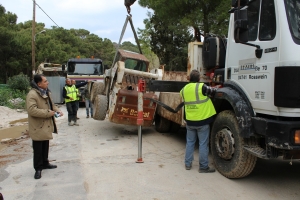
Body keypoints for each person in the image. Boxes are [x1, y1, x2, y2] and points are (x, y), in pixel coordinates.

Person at [26, 74, 64, 179]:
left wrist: (57, 110)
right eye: (45, 81)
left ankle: (45, 163)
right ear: (39, 84)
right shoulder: (32, 94)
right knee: (38, 148)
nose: (47, 82)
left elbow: (52, 105)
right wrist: (48, 113)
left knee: (45, 145)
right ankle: (38, 168)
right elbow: (32, 110)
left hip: (45, 125)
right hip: (38, 126)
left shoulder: (47, 92)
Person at [180, 69, 217, 173]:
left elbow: (183, 97)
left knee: (190, 143)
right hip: (202, 121)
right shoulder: (201, 87)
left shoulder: (184, 89)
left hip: (190, 122)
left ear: (189, 78)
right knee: (203, 144)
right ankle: (203, 167)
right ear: (199, 79)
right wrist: (217, 87)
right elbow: (213, 91)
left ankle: (187, 164)